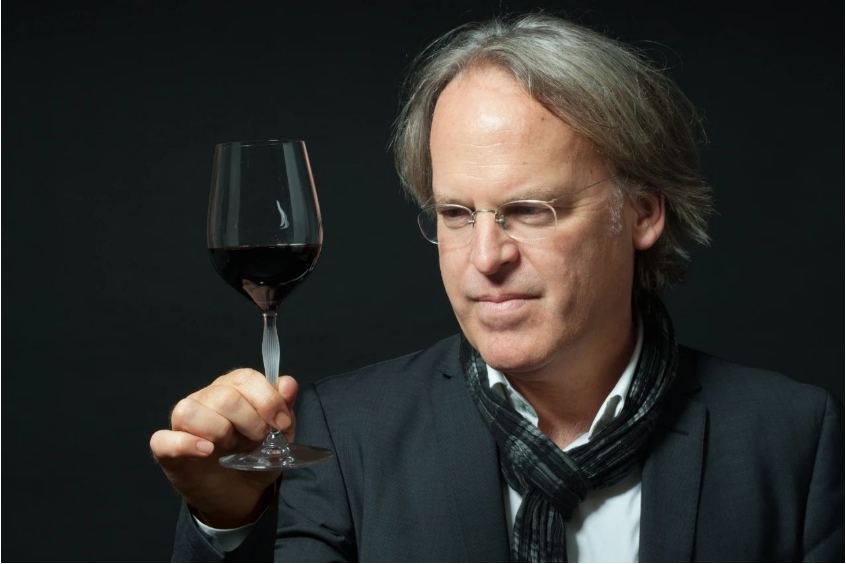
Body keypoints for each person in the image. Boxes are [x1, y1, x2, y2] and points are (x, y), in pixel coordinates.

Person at [150, 12, 844, 562]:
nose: (484, 258)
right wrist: (226, 520)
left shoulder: (792, 436)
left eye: (529, 211)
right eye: (456, 214)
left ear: (641, 213)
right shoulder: (344, 433)